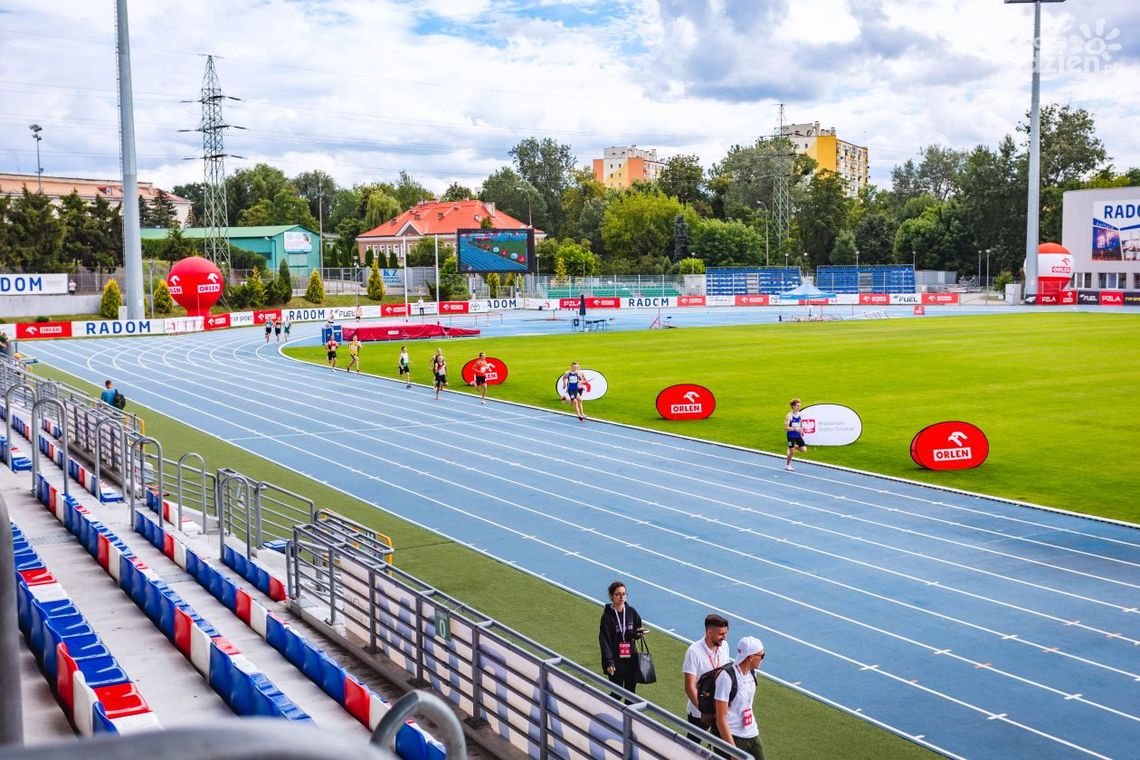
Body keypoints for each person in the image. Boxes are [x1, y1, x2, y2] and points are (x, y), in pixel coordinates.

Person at [712, 637, 766, 760]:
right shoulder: (726, 677)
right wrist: (733, 750)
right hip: (733, 736)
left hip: (751, 732)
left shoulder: (753, 673)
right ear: (750, 657)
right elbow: (721, 719)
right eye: (761, 656)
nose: (763, 659)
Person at [683, 614, 730, 733]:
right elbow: (689, 687)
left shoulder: (724, 646)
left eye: (725, 633)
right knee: (693, 744)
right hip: (699, 712)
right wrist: (704, 710)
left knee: (720, 745)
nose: (724, 638)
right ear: (709, 633)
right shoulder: (694, 652)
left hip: (720, 709)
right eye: (721, 634)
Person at [598, 581, 645, 695]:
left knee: (631, 694)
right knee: (617, 694)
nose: (622, 597)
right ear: (611, 596)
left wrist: (638, 634)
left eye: (624, 594)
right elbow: (604, 641)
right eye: (618, 594)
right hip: (615, 661)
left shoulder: (631, 611)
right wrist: (609, 662)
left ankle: (627, 713)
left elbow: (637, 628)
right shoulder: (607, 617)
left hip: (630, 660)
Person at [784, 398, 808, 471]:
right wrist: (795, 429)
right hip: (791, 436)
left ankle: (792, 446)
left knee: (804, 450)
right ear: (793, 406)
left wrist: (801, 430)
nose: (799, 407)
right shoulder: (789, 416)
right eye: (797, 406)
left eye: (799, 405)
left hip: (797, 435)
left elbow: (800, 424)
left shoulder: (800, 414)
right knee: (792, 452)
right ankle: (787, 465)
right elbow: (785, 428)